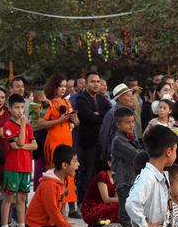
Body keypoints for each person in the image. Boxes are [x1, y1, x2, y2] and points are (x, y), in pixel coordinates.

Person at [37, 74, 80, 218]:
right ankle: (53, 213)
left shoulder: (67, 103)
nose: (63, 89)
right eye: (60, 86)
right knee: (55, 176)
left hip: (67, 141)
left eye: (64, 86)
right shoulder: (47, 103)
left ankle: (63, 214)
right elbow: (40, 123)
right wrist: (59, 120)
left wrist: (74, 119)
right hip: (54, 142)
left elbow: (76, 123)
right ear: (54, 87)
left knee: (68, 177)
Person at [0, 94, 38, 227]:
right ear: (9, 109)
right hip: (13, 166)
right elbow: (18, 143)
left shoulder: (27, 125)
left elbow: (34, 145)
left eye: (22, 107)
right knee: (9, 197)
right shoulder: (8, 126)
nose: (20, 111)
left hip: (26, 166)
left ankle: (22, 226)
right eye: (16, 107)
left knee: (22, 197)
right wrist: (22, 126)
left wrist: (23, 146)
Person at [75, 72, 111, 204]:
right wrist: (99, 117)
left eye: (98, 81)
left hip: (101, 142)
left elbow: (109, 112)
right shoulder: (81, 99)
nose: (96, 84)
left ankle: (97, 199)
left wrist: (98, 115)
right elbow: (88, 117)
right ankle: (83, 202)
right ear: (86, 83)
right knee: (86, 172)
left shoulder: (102, 98)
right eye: (92, 81)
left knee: (100, 172)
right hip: (87, 143)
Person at [110, 107, 144, 227]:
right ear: (118, 125)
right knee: (125, 214)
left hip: (133, 180)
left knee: (135, 212)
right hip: (124, 182)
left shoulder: (131, 137)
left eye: (132, 122)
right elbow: (137, 156)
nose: (131, 125)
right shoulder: (118, 140)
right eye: (127, 122)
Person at [99, 83, 136, 162]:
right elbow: (104, 135)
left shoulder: (129, 112)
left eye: (131, 95)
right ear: (120, 98)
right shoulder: (112, 113)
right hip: (116, 155)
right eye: (128, 95)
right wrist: (105, 156)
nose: (132, 98)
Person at [81, 160, 119, 227]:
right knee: (119, 206)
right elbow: (106, 199)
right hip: (91, 207)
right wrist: (122, 200)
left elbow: (115, 197)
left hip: (103, 205)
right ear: (109, 163)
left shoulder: (115, 176)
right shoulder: (102, 176)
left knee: (120, 206)